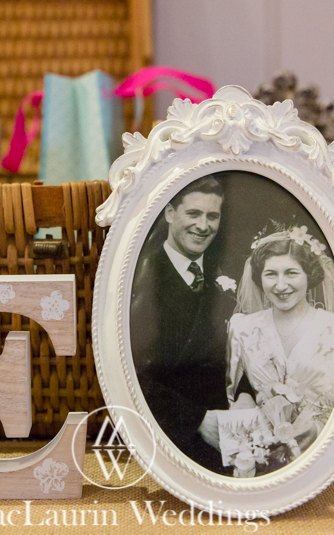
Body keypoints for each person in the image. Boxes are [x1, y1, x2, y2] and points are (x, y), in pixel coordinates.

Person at [130, 174, 237, 474]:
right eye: (193, 213)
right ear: (169, 213)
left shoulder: (225, 272)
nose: (203, 226)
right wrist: (196, 420)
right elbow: (131, 374)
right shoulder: (143, 278)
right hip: (172, 444)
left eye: (212, 216)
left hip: (230, 433)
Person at [221, 228, 334, 477]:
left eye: (291, 273)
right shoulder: (243, 327)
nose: (281, 285)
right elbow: (233, 393)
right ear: (259, 278)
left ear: (309, 276)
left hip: (326, 456)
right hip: (260, 456)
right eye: (271, 274)